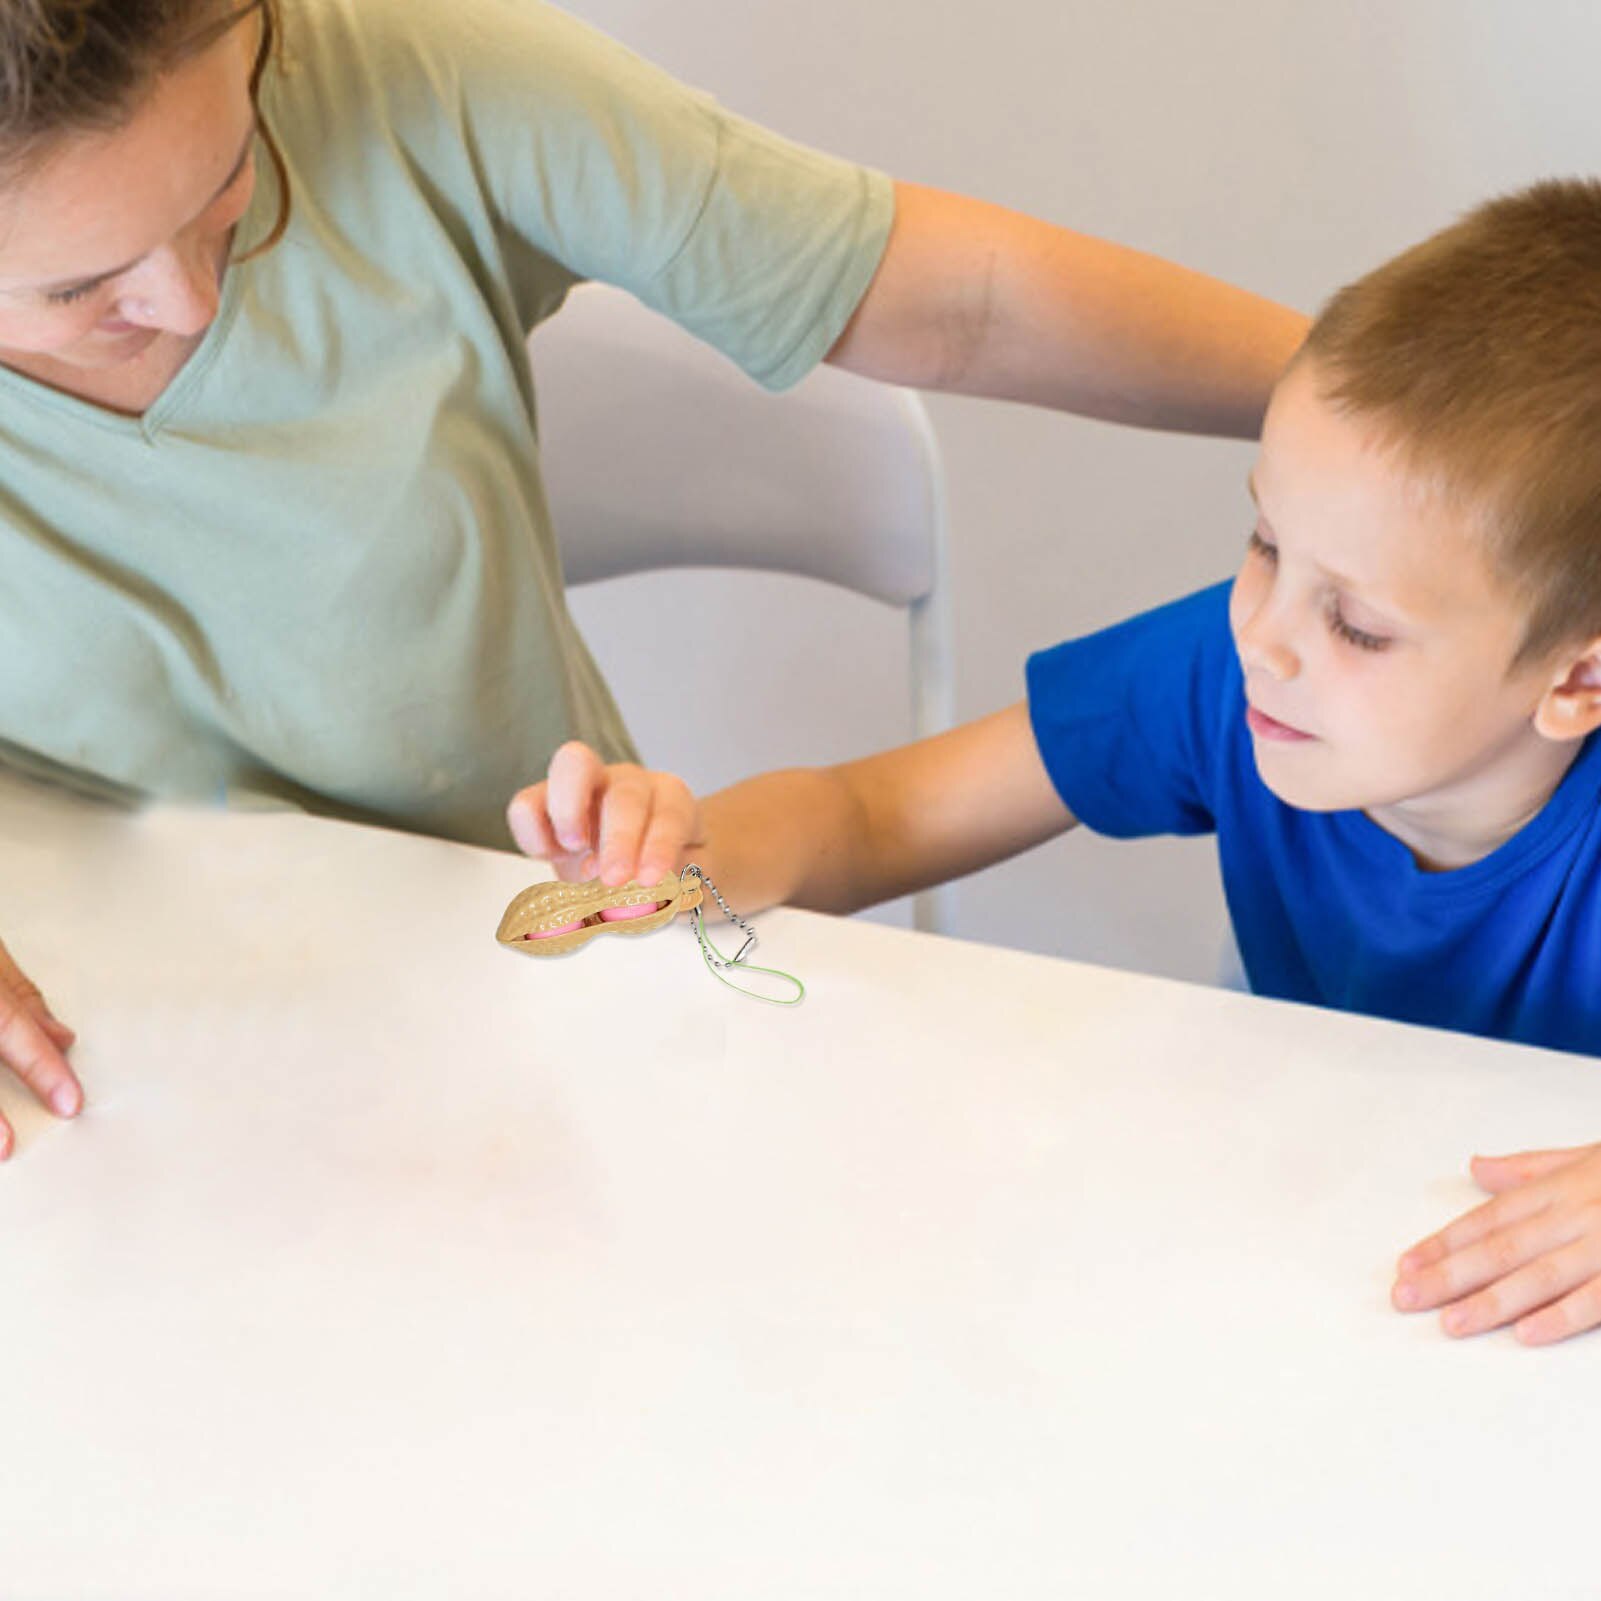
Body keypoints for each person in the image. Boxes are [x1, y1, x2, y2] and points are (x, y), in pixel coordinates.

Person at [0, 0, 1307, 1154]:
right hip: (88, 1068)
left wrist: (1392, 420)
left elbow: (954, 300)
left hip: (527, 1023)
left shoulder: (417, 75)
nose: (184, 297)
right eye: (81, 288)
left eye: (231, 185)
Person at [509, 179, 1601, 1348]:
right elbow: (873, 812)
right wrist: (681, 853)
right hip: (1317, 1266)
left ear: (1575, 681)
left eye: (1358, 625)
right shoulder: (1224, 674)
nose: (1263, 635)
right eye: (1264, 542)